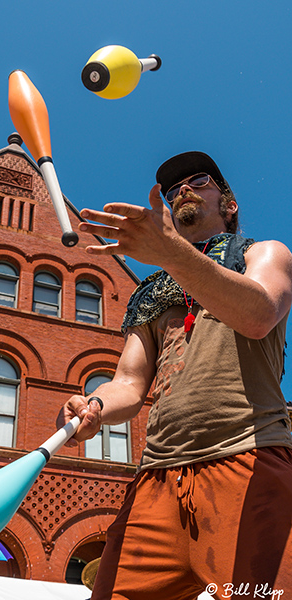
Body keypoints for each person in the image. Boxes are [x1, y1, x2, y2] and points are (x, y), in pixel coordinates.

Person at [56, 151, 292, 600]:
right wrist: (95, 406)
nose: (182, 188)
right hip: (156, 480)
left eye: (198, 180)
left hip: (246, 459)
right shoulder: (150, 293)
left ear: (229, 203)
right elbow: (129, 382)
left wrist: (172, 254)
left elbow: (259, 314)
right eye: (171, 188)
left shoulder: (263, 253)